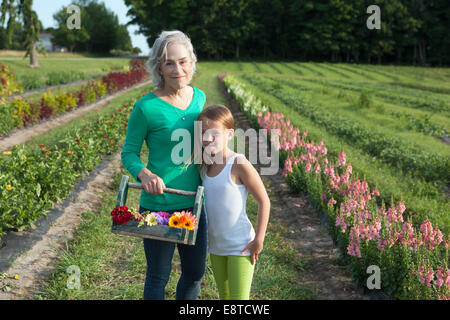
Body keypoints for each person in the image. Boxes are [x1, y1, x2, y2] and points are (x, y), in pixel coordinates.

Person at [121, 30, 207, 300]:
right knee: (158, 274)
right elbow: (129, 154)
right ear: (159, 66)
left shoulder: (200, 99)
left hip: (194, 203)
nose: (177, 69)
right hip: (158, 204)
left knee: (195, 272)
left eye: (183, 61)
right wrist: (144, 174)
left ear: (191, 62)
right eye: (169, 62)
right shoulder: (145, 108)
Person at [197, 105, 271, 300]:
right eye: (203, 133)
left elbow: (264, 201)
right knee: (225, 297)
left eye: (214, 134)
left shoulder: (238, 163)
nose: (207, 138)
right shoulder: (205, 166)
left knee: (238, 300)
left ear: (229, 134)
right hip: (216, 246)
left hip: (241, 246)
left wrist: (259, 239)